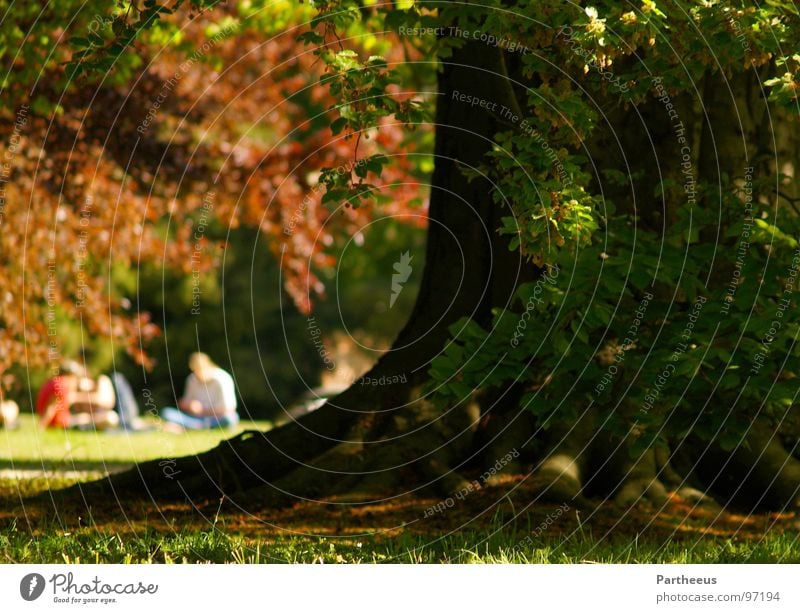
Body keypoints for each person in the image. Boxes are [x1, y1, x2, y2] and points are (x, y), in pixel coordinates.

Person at [160, 353, 239, 430]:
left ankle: (191, 427)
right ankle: (198, 426)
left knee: (230, 419)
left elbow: (229, 409)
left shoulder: (222, 378)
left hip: (216, 417)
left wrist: (202, 411)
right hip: (195, 417)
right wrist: (189, 405)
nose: (198, 373)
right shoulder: (192, 378)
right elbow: (185, 402)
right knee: (166, 413)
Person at [36, 361, 119, 430]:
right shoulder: (62, 385)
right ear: (71, 376)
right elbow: (50, 408)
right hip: (60, 424)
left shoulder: (53, 382)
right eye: (76, 379)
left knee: (85, 417)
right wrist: (41, 426)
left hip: (59, 422)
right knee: (109, 418)